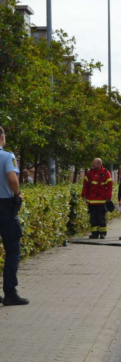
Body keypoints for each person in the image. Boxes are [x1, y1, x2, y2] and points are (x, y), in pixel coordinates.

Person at [0, 127, 29, 306]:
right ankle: (10, 293)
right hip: (4, 207)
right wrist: (17, 194)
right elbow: (12, 179)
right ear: (2, 137)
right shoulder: (7, 156)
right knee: (12, 251)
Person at [82, 158, 113, 239]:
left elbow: (109, 187)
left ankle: (103, 233)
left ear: (99, 164)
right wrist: (84, 195)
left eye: (94, 163)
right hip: (91, 200)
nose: (93, 165)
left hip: (101, 201)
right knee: (93, 218)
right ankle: (94, 233)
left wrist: (108, 197)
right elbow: (85, 185)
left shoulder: (106, 173)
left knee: (101, 218)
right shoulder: (89, 173)